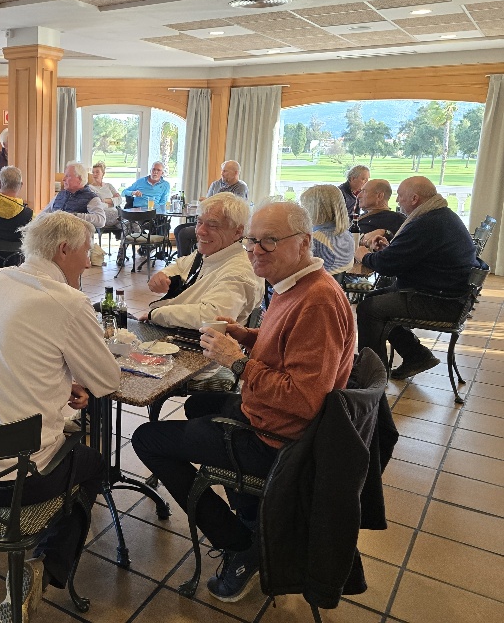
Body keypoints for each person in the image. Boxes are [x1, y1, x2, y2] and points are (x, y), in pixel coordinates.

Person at [133, 201, 355, 603]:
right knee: (199, 406)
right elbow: (285, 347)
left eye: (269, 241)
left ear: (304, 242)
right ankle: (253, 514)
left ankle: (239, 545)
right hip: (269, 417)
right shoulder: (296, 284)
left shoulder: (317, 302)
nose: (255, 250)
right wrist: (247, 335)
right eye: (252, 240)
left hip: (279, 440)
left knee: (147, 439)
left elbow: (302, 399)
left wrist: (237, 361)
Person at [0, 211, 120, 622]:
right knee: (93, 466)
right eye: (87, 251)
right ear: (64, 250)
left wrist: (58, 380)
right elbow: (107, 380)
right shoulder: (69, 302)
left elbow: (10, 354)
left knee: (3, 429)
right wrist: (79, 378)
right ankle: (44, 567)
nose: (90, 260)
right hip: (12, 485)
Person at [355, 176, 479, 379]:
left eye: (400, 196)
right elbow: (404, 258)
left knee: (369, 309)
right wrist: (389, 250)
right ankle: (416, 355)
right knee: (371, 298)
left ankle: (371, 376)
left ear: (414, 198)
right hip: (446, 292)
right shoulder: (439, 215)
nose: (397, 201)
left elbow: (387, 266)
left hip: (440, 301)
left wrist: (363, 256)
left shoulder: (428, 223)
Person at [142, 194, 262, 329]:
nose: (200, 231)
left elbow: (212, 317)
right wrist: (164, 275)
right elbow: (181, 265)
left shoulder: (239, 272)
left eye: (212, 225)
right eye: (199, 222)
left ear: (237, 232)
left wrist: (156, 314)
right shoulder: (212, 252)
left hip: (197, 338)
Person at [174, 160, 248, 257]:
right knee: (178, 229)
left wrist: (210, 202)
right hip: (208, 220)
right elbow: (207, 205)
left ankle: (189, 258)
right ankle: (184, 259)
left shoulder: (241, 187)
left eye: (225, 171)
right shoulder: (216, 184)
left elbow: (235, 210)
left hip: (221, 225)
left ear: (236, 173)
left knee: (184, 233)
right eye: (222, 171)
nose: (222, 173)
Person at [300, 184, 356, 274]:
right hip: (339, 281)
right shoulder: (347, 235)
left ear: (314, 209)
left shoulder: (315, 240)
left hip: (317, 281)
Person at [41, 162, 106, 229]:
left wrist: (73, 216)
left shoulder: (91, 198)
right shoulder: (59, 195)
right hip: (54, 233)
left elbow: (101, 220)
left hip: (76, 234)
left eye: (67, 176)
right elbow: (43, 214)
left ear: (79, 178)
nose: (63, 179)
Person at [89, 161, 122, 227]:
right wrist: (112, 202)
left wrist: (104, 200)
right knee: (126, 223)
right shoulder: (90, 188)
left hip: (117, 216)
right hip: (103, 216)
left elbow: (119, 200)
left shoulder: (109, 186)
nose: (94, 174)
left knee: (133, 223)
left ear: (103, 173)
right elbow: (97, 205)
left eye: (97, 172)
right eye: (93, 172)